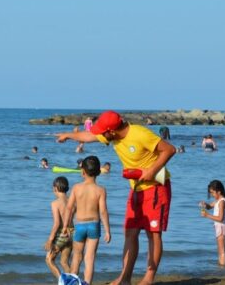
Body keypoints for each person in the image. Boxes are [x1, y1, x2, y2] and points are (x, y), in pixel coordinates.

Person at [56, 110, 175, 285]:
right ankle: (125, 278)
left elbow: (169, 149)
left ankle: (149, 277)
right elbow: (90, 135)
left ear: (111, 131)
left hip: (157, 188)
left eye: (103, 132)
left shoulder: (140, 134)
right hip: (136, 190)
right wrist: (68, 135)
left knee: (153, 234)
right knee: (130, 233)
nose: (101, 135)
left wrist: (152, 170)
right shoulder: (113, 135)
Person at [61, 156, 111, 284]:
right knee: (90, 258)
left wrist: (65, 226)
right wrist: (107, 231)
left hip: (80, 225)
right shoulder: (101, 190)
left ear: (82, 172)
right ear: (99, 172)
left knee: (77, 256)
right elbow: (103, 211)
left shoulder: (76, 188)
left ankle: (72, 282)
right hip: (94, 225)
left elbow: (69, 208)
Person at [44, 176, 73, 280]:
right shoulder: (71, 201)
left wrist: (50, 239)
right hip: (72, 232)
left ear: (55, 188)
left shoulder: (55, 203)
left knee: (49, 259)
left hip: (62, 234)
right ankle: (72, 282)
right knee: (64, 262)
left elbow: (57, 223)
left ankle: (62, 281)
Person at [200, 180, 225, 266]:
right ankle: (221, 265)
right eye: (211, 193)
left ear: (219, 191)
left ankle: (222, 268)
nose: (212, 195)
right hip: (220, 227)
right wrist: (205, 205)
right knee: (220, 250)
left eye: (213, 193)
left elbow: (220, 218)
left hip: (221, 227)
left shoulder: (222, 202)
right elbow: (210, 206)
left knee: (222, 251)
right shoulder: (218, 200)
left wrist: (207, 215)